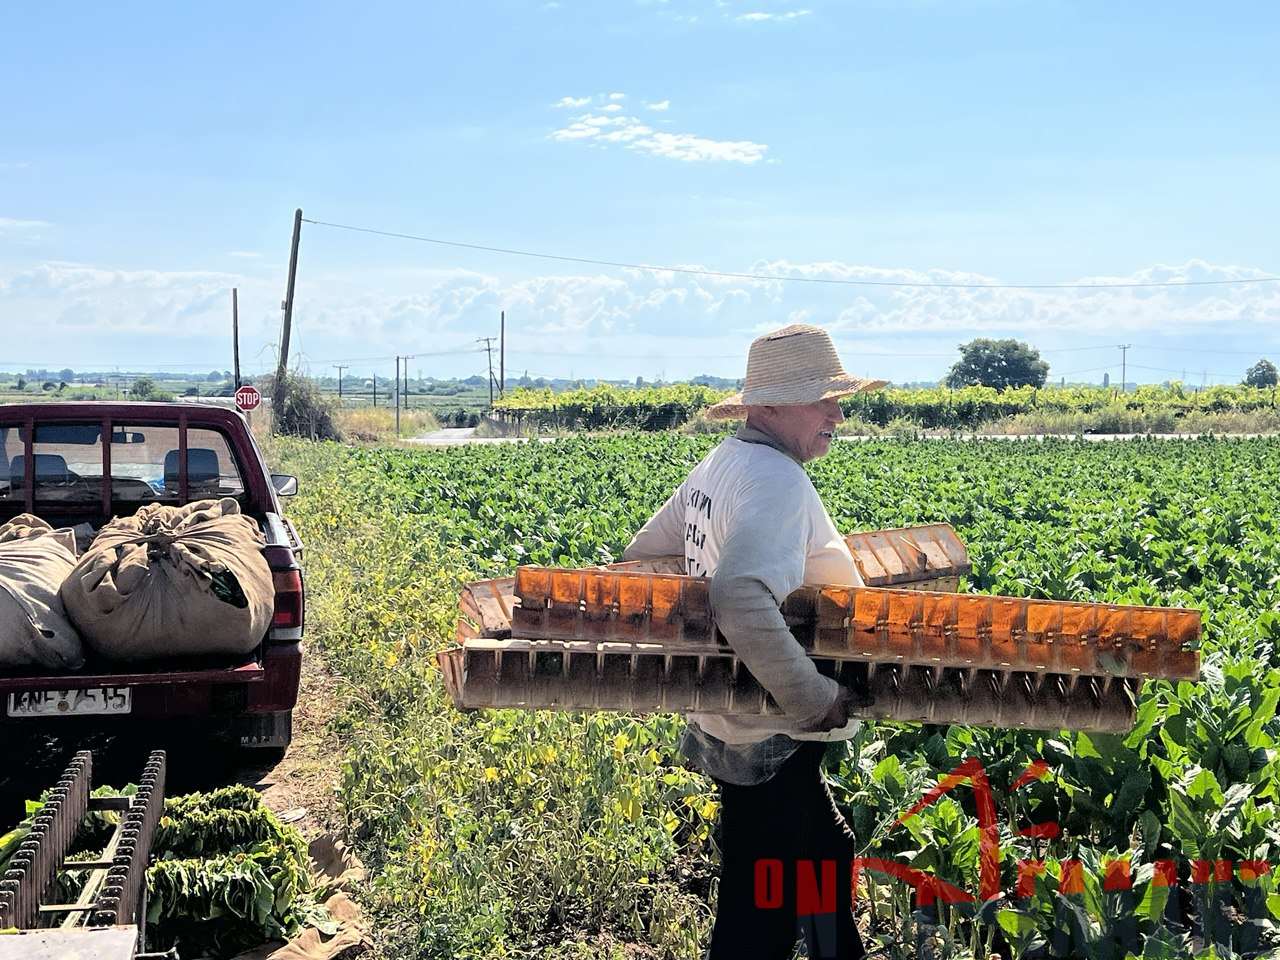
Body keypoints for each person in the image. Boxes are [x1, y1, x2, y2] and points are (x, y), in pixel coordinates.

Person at [623, 323, 886, 960]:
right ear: (767, 406)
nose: (837, 412)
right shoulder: (776, 480)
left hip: (730, 711)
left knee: (809, 857)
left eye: (837, 396)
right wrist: (812, 697)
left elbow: (643, 555)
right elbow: (739, 594)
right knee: (763, 899)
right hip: (771, 719)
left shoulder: (724, 462)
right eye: (820, 397)